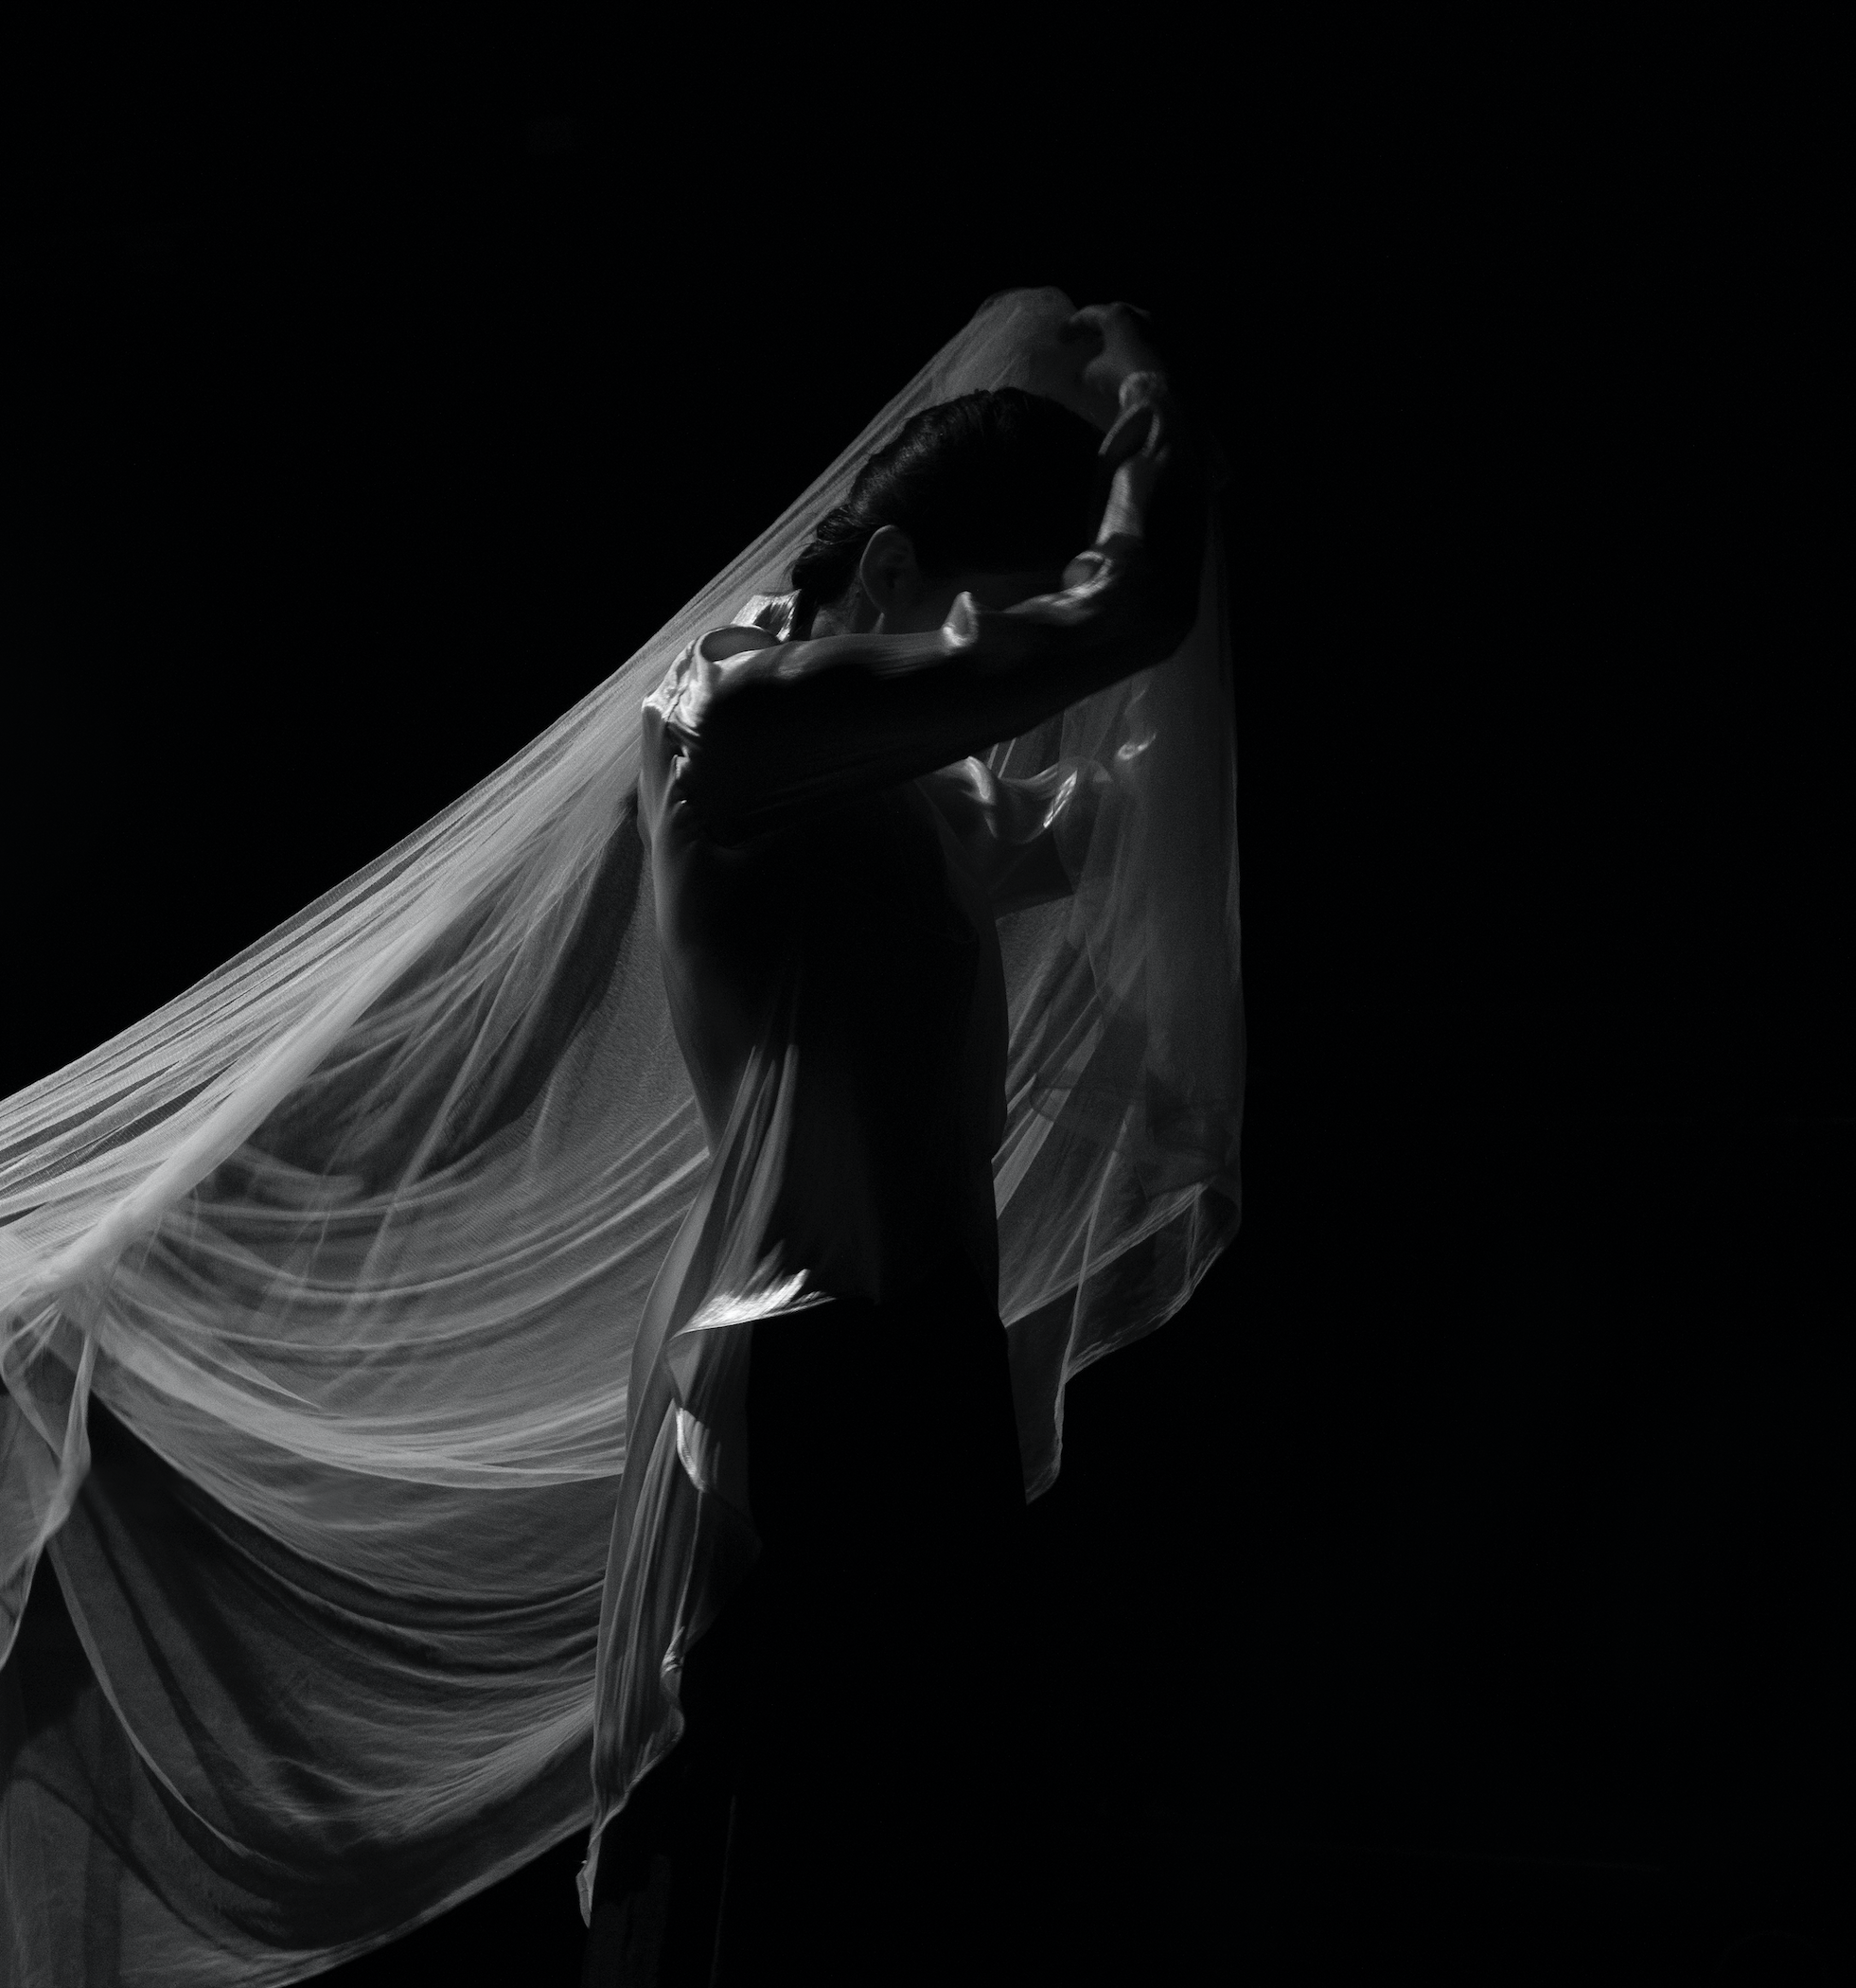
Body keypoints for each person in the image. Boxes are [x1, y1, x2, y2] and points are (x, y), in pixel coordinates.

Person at [582, 300, 1214, 1982]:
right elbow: (1129, 613)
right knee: (812, 1851)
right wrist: (1153, 405)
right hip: (813, 1368)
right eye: (977, 626)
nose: (986, 690)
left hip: (910, 1354)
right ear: (885, 574)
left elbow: (1084, 816)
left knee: (913, 1859)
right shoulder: (738, 722)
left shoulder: (899, 787)